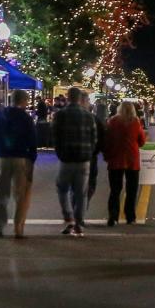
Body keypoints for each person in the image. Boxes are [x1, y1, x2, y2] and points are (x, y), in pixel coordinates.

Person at [0, 90, 37, 239]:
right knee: (21, 194)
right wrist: (31, 159)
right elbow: (33, 140)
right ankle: (18, 228)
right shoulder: (26, 118)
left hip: (2, 157)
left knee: (0, 193)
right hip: (21, 158)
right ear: (24, 101)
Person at [52, 87, 97, 237]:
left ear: (67, 97)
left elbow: (55, 136)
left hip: (66, 158)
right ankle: (78, 224)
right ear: (79, 98)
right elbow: (93, 138)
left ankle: (68, 217)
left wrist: (59, 152)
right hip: (83, 159)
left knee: (62, 189)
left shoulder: (60, 115)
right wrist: (89, 153)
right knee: (81, 193)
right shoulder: (88, 116)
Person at [103, 101, 146, 226]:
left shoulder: (113, 121)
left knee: (115, 190)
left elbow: (107, 139)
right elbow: (142, 141)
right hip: (132, 159)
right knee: (131, 190)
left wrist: (107, 155)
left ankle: (113, 216)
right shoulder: (136, 122)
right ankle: (130, 216)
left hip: (115, 158)